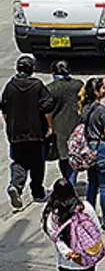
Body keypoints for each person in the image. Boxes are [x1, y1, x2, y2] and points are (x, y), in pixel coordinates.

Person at [2, 56, 56, 210]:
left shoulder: (10, 86)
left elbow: (4, 111)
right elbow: (47, 107)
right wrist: (50, 127)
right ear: (32, 69)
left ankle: (16, 186)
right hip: (36, 132)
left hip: (16, 134)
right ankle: (38, 193)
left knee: (19, 161)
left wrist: (11, 126)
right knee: (37, 163)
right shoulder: (37, 85)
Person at [79, 78, 105, 233]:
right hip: (102, 148)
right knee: (104, 186)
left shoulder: (84, 108)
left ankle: (88, 217)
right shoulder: (102, 110)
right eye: (102, 88)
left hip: (89, 148)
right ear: (96, 92)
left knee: (92, 184)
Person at [47, 61, 84, 185]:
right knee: (73, 157)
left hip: (59, 128)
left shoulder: (51, 88)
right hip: (76, 126)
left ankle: (69, 183)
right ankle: (70, 182)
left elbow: (47, 111)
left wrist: (49, 127)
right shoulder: (78, 85)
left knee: (63, 158)